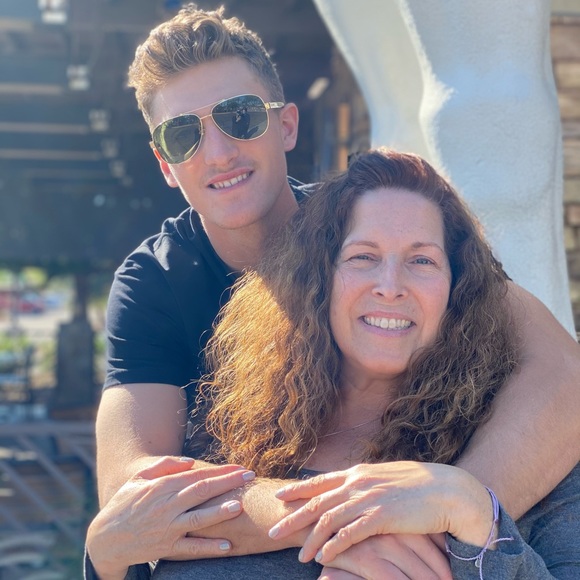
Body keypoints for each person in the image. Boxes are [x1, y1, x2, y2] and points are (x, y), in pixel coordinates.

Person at [88, 2, 580, 578]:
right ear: (165, 163)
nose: (217, 152)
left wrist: (446, 512)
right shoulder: (155, 281)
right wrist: (357, 519)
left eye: (240, 117)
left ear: (286, 125)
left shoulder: (372, 223)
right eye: (182, 135)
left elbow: (562, 373)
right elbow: (132, 500)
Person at [153, 148, 580, 578]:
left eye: (422, 260)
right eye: (363, 256)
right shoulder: (226, 438)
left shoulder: (529, 454)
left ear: (457, 288)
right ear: (318, 277)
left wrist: (468, 508)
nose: (390, 286)